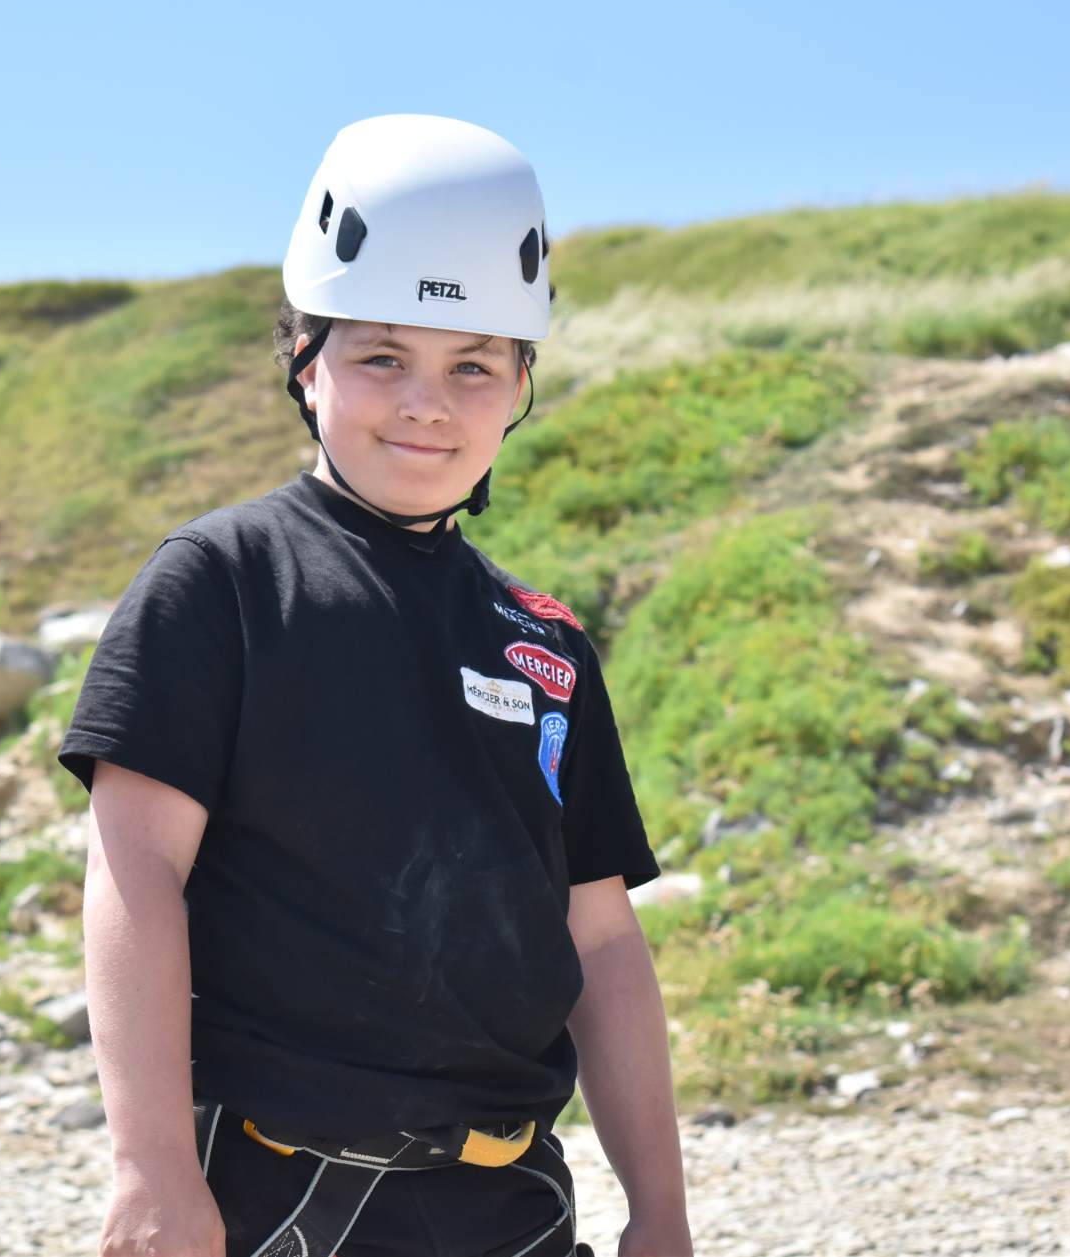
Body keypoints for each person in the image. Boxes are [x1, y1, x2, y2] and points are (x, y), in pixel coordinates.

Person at [61, 114, 694, 1257]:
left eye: (473, 367)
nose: (426, 404)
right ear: (307, 363)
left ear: (522, 384)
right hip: (273, 1197)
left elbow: (600, 941)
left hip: (512, 1202)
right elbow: (134, 871)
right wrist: (150, 1172)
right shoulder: (222, 583)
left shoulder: (546, 646)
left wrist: (661, 1211)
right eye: (383, 359)